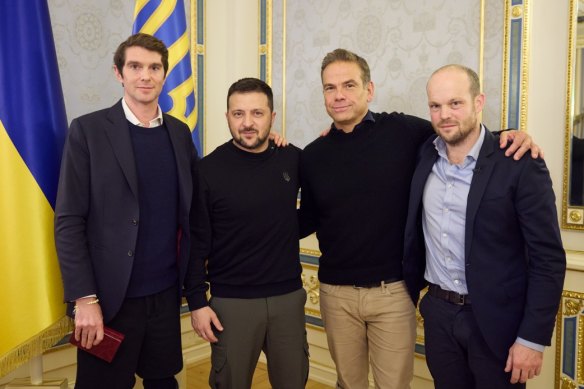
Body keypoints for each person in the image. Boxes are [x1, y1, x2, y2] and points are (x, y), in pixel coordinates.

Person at [298, 49, 539, 388]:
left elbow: (460, 131)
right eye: (329, 87)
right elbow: (305, 218)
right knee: (348, 383)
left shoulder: (403, 131)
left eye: (349, 85)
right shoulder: (312, 155)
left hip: (393, 292)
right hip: (335, 294)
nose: (339, 95)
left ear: (369, 90)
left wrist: (510, 135)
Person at [402, 64, 566, 388]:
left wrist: (532, 339)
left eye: (455, 103)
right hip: (438, 315)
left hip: (496, 322)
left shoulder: (518, 161)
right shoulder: (423, 155)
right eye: (435, 106)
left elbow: (548, 258)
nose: (444, 114)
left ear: (479, 102)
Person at [55, 33, 198, 389]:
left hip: (165, 298)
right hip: (108, 301)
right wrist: (84, 299)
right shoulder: (87, 132)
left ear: (165, 75)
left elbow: (195, 212)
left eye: (154, 67)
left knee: (163, 383)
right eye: (135, 66)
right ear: (119, 73)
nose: (145, 76)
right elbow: (69, 220)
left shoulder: (180, 135)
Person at [184, 77, 308, 389]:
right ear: (227, 117)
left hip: (288, 299)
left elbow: (320, 206)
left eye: (257, 113)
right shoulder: (207, 170)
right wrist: (197, 302)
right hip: (232, 302)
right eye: (238, 114)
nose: (248, 123)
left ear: (272, 117)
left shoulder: (293, 158)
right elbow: (196, 242)